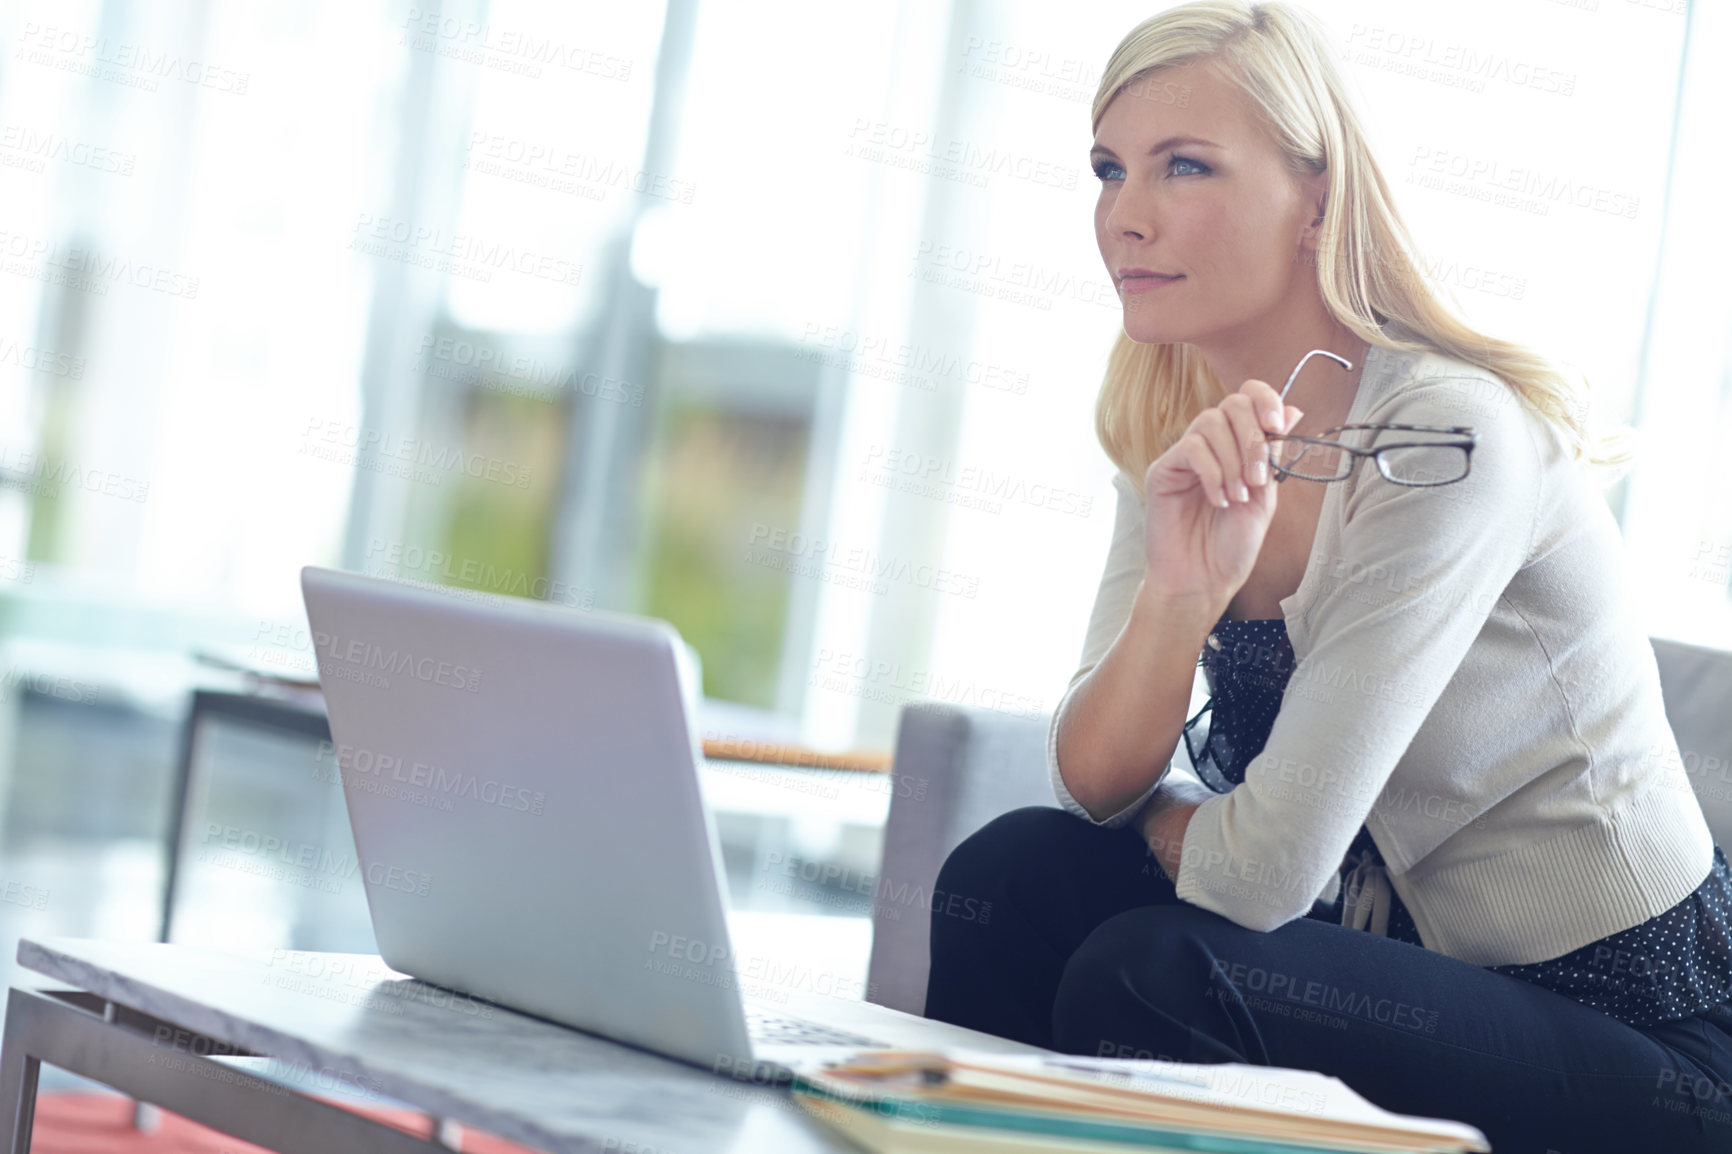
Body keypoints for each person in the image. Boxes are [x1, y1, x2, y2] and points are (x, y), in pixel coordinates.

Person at [921, 3, 1732, 1151]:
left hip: (1636, 1040)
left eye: (1184, 166)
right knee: (1010, 875)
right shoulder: (1178, 419)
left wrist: (1175, 819)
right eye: (1107, 170)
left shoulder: (1446, 436)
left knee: (1156, 970)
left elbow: (1259, 874)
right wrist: (1178, 594)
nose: (1124, 218)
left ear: (1316, 196)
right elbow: (1093, 786)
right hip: (1392, 974)